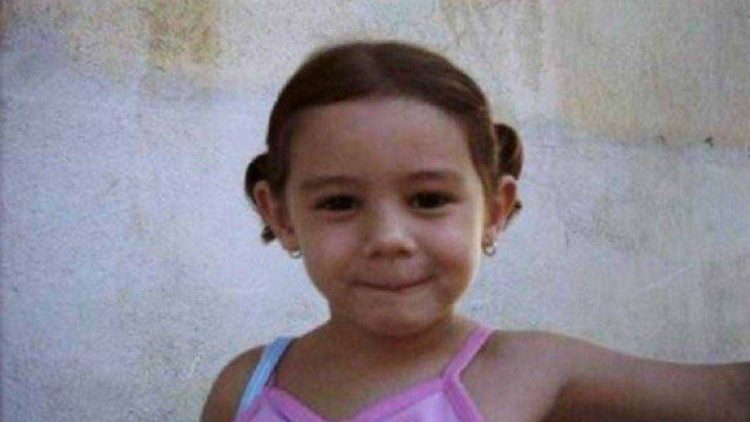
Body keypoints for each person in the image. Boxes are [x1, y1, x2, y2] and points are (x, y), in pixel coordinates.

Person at [201, 40, 749, 421]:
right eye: (340, 203)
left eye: (429, 200)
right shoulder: (244, 388)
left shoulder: (533, 372)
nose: (389, 238)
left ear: (494, 209)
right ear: (281, 216)